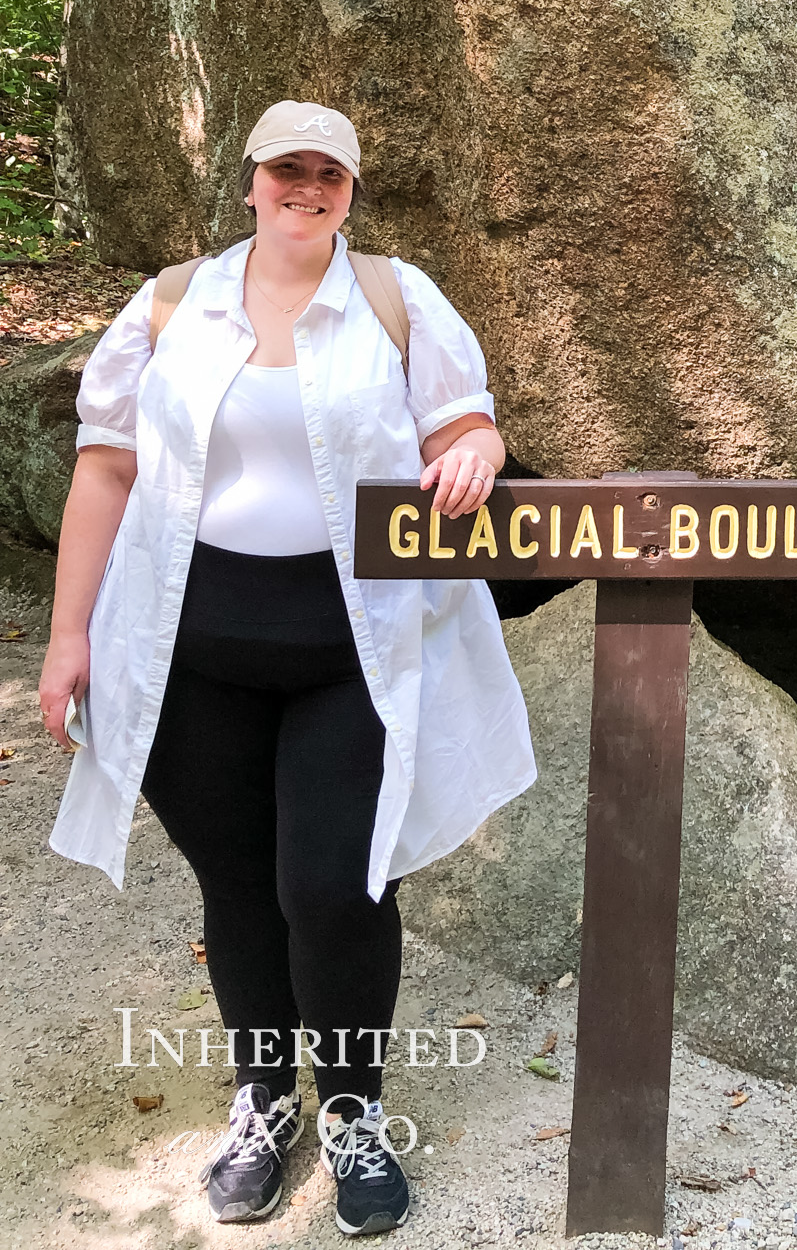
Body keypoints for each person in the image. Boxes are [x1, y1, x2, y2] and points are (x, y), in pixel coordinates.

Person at [38, 99, 536, 1235]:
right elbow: (105, 470)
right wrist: (69, 638)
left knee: (336, 882)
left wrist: (470, 450)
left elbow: (470, 423)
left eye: (329, 174)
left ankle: (354, 1106)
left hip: (350, 647)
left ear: (351, 190)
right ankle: (265, 1098)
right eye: (285, 170)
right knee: (240, 883)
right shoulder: (173, 303)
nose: (305, 189)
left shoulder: (395, 299)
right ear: (250, 180)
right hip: (188, 646)